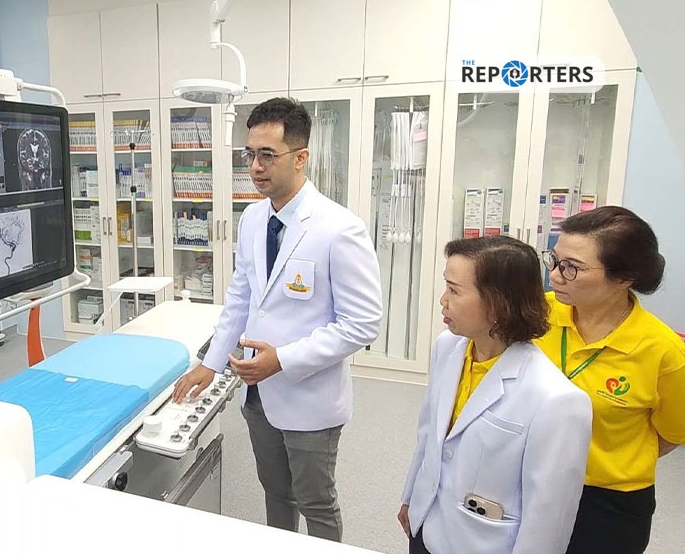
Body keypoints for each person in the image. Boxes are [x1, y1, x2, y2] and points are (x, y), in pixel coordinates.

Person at [172, 97, 383, 542]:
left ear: (300, 157)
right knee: (276, 493)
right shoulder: (252, 219)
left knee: (316, 502)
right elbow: (242, 296)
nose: (255, 167)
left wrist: (283, 360)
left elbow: (363, 323)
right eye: (249, 154)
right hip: (258, 395)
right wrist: (211, 363)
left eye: (267, 155)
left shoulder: (339, 228)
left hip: (310, 396)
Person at [399, 236, 592, 554]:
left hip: (480, 543)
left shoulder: (556, 400)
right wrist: (410, 498)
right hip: (426, 524)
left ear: (498, 304)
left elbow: (548, 517)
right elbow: (429, 434)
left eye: (454, 290)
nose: (443, 300)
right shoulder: (448, 347)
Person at [535, 206, 685, 554]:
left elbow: (672, 433)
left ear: (624, 278)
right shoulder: (537, 314)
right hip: (531, 479)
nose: (555, 275)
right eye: (554, 260)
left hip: (609, 503)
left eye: (572, 267)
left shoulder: (663, 352)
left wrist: (612, 459)